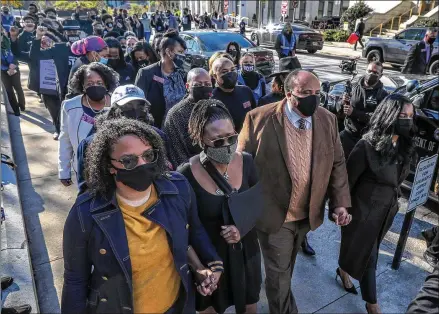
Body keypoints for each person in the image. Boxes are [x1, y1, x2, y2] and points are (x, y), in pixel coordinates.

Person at [62, 117, 223, 313]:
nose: (142, 164)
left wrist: (212, 265)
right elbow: (75, 281)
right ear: (109, 166)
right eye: (128, 161)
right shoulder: (85, 213)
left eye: (148, 155)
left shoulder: (178, 187)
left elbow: (195, 231)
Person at [238, 69, 352, 314]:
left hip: (307, 214)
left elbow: (337, 162)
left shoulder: (327, 119)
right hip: (273, 215)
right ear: (289, 93)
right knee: (278, 274)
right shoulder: (258, 119)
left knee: (286, 267)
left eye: (316, 93)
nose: (313, 98)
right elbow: (241, 167)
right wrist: (242, 216)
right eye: (305, 93)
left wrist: (340, 202)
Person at [179, 99, 262, 314]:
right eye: (216, 141)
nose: (226, 145)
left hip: (245, 253)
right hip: (210, 260)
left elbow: (260, 204)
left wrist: (241, 229)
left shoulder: (247, 161)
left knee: (249, 306)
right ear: (201, 139)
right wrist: (200, 269)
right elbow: (184, 229)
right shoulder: (185, 175)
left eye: (231, 138)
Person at [337, 94, 416, 314]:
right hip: (362, 212)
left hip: (386, 212)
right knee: (368, 257)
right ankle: (373, 304)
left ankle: (343, 269)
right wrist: (340, 208)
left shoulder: (403, 145)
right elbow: (347, 181)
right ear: (389, 115)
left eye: (410, 116)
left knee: (364, 251)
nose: (407, 120)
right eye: (402, 115)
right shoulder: (367, 145)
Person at [76, 84, 165, 194]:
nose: (135, 111)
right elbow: (86, 187)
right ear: (113, 110)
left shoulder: (158, 137)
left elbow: (164, 172)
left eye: (140, 106)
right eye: (127, 106)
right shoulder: (91, 144)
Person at [58, 62, 119, 187]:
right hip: (83, 171)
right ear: (82, 86)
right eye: (90, 84)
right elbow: (65, 139)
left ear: (107, 84)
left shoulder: (118, 105)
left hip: (114, 172)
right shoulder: (70, 106)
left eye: (99, 83)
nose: (95, 86)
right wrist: (63, 171)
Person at [135, 29, 187, 128]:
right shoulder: (146, 74)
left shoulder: (183, 74)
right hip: (156, 129)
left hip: (181, 129)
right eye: (180, 52)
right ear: (168, 52)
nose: (184, 55)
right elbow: (138, 106)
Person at [164, 68, 213, 168]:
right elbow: (177, 153)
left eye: (207, 84)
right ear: (187, 86)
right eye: (198, 85)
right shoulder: (176, 114)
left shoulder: (215, 106)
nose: (203, 87)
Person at [340, 61, 388, 159]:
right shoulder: (353, 87)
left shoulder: (383, 95)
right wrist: (343, 102)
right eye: (369, 71)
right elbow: (341, 110)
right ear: (365, 71)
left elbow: (378, 119)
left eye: (375, 73)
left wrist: (354, 113)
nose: (371, 74)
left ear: (381, 75)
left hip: (367, 139)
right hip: (349, 133)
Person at [211, 57, 256, 132]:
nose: (230, 74)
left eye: (232, 70)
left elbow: (255, 115)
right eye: (224, 72)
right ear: (215, 76)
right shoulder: (212, 99)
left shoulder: (246, 91)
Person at [1, 35, 25, 116]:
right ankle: (16, 110)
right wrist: (8, 66)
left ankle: (22, 106)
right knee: (9, 90)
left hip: (14, 68)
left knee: (18, 87)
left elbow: (16, 53)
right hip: (3, 71)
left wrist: (14, 63)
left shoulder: (9, 41)